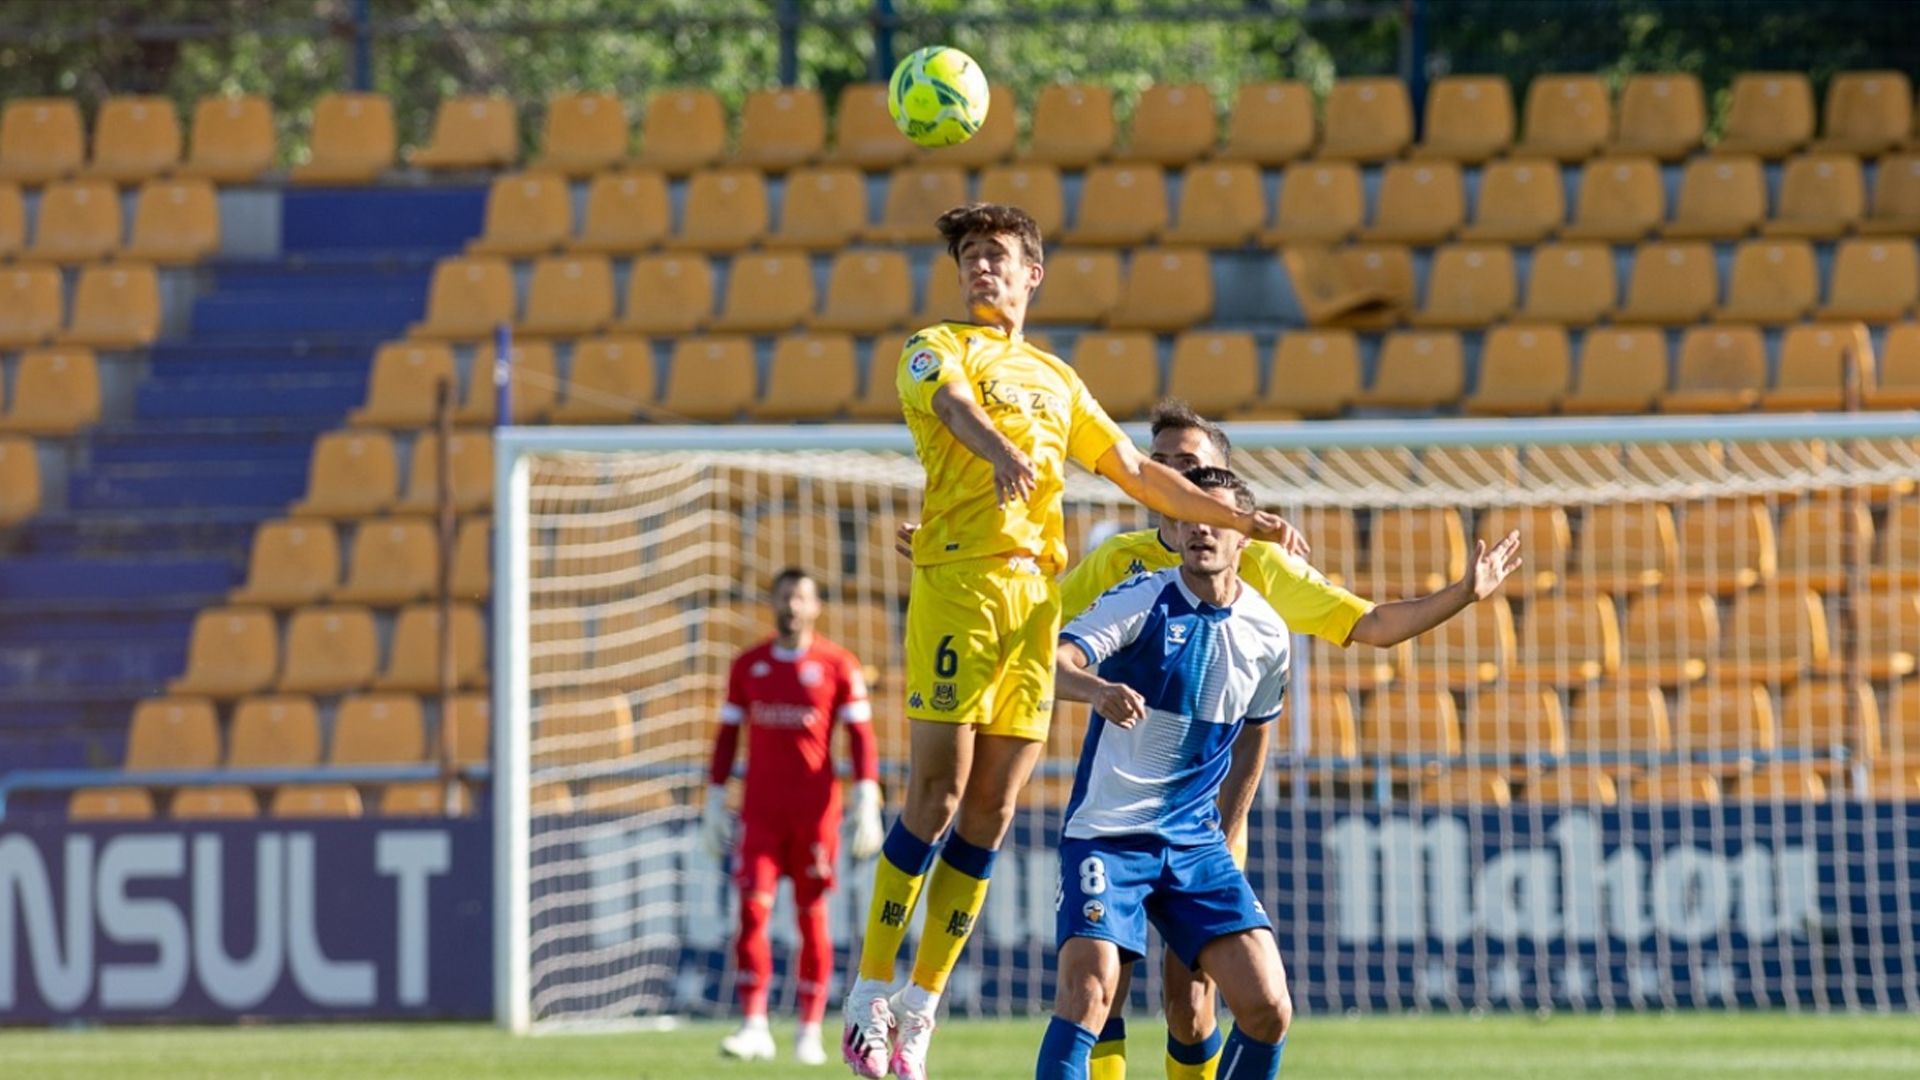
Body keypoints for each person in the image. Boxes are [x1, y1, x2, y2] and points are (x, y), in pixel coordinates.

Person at [842, 203, 1298, 1080]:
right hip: (959, 586)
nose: (983, 269)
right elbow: (952, 405)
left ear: (1032, 273)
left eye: (1000, 257)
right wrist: (1002, 451)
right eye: (971, 256)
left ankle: (920, 1008)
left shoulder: (1058, 378)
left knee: (994, 813)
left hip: (1029, 602)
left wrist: (1236, 515)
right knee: (935, 798)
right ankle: (867, 995)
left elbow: (1134, 471)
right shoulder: (933, 344)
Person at [1055, 400, 1525, 1080]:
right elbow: (1041, 631)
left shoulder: (1264, 579)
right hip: (1119, 810)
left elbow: (1366, 627)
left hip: (1202, 825)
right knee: (1101, 985)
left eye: (1190, 465)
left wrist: (1460, 595)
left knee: (1193, 999)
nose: (1172, 476)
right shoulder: (1120, 567)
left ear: (1226, 484)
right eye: (1160, 464)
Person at [1037, 467, 1295, 1080]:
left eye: (1221, 520)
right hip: (1107, 833)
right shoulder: (1141, 597)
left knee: (1267, 1008)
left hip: (1194, 842)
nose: (1202, 528)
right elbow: (1054, 662)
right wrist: (1096, 690)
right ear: (1174, 531)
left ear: (1244, 540)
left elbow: (1257, 731)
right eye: (1189, 517)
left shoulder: (1268, 634)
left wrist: (1230, 832)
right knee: (1091, 992)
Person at [703, 567, 886, 1065]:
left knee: (812, 919)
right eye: (784, 597)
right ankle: (754, 1024)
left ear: (815, 606)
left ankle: (809, 1029)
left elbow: (861, 737)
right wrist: (715, 798)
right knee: (752, 912)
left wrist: (867, 794)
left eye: (801, 598)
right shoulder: (748, 666)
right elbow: (726, 737)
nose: (792, 607)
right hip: (760, 813)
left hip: (814, 814)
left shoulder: (836, 664)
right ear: (773, 602)